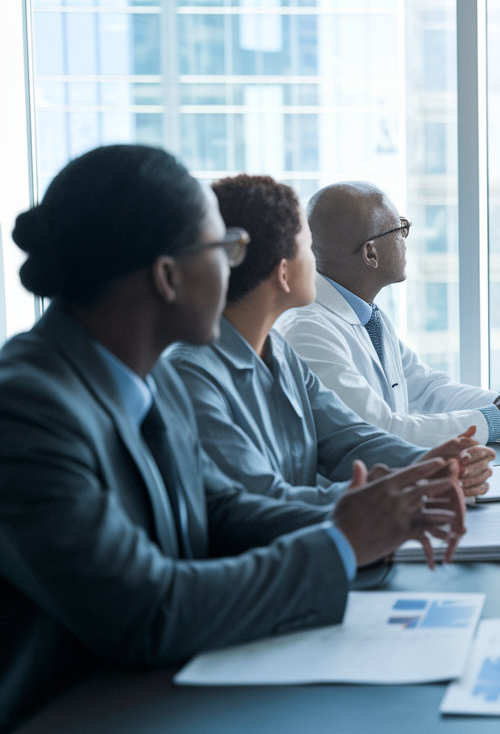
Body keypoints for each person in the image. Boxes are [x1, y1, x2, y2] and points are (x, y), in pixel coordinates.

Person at [0, 145, 466, 733]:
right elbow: (146, 609)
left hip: (166, 690)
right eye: (225, 249)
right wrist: (342, 543)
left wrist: (372, 510)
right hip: (81, 711)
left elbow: (219, 508)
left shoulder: (151, 377)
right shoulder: (27, 410)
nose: (236, 269)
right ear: (168, 277)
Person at [167, 175, 494, 504]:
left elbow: (351, 438)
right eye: (308, 245)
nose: (318, 258)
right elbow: (263, 502)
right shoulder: (193, 374)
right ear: (283, 274)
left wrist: (433, 466)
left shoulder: (278, 352)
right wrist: (400, 491)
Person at [276, 181, 500, 447]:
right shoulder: (307, 330)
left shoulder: (368, 315)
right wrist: (499, 418)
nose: (405, 238)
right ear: (370, 253)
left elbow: (426, 390)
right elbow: (379, 432)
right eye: (400, 228)